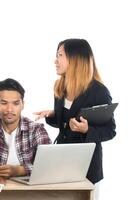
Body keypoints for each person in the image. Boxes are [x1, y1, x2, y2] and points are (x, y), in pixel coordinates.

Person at [34, 39, 116, 198]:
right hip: (63, 161)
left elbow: (110, 130)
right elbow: (65, 122)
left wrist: (87, 130)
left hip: (87, 166)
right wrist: (52, 114)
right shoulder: (60, 86)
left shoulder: (98, 91)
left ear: (75, 59)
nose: (55, 61)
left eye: (60, 55)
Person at [0, 78, 51, 178]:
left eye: (16, 103)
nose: (9, 109)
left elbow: (49, 165)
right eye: (4, 103)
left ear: (22, 105)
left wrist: (20, 170)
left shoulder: (36, 130)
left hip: (27, 190)